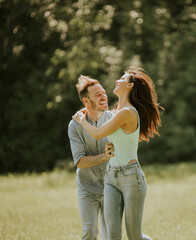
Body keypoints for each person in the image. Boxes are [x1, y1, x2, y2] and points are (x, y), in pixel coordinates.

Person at [72, 67, 162, 240]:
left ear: (129, 85)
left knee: (135, 236)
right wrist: (89, 110)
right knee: (112, 235)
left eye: (121, 78)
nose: (116, 81)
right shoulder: (117, 112)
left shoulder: (127, 113)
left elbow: (98, 133)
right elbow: (103, 120)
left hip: (131, 178)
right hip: (111, 177)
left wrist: (81, 120)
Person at [68, 75, 113, 240]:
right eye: (97, 95)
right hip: (87, 188)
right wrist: (105, 156)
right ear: (86, 101)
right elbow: (80, 162)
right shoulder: (75, 126)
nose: (103, 96)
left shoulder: (113, 119)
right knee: (89, 233)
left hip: (111, 187)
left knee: (110, 235)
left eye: (103, 92)